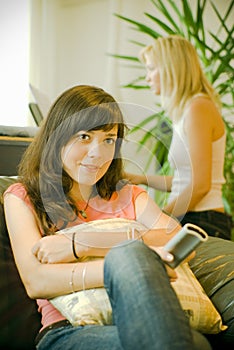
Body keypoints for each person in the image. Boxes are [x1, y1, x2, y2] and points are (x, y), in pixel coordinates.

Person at [3, 85, 211, 350]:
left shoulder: (127, 194)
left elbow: (178, 239)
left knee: (195, 343)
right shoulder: (23, 196)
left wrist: (82, 244)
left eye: (109, 140)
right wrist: (128, 264)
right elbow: (36, 282)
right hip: (68, 331)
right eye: (84, 137)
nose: (97, 153)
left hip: (140, 318)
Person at [125, 35, 232, 240]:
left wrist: (159, 218)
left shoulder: (198, 108)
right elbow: (185, 181)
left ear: (170, 69)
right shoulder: (186, 111)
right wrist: (140, 179)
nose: (147, 77)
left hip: (203, 221)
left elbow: (200, 186)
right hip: (196, 217)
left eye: (151, 69)